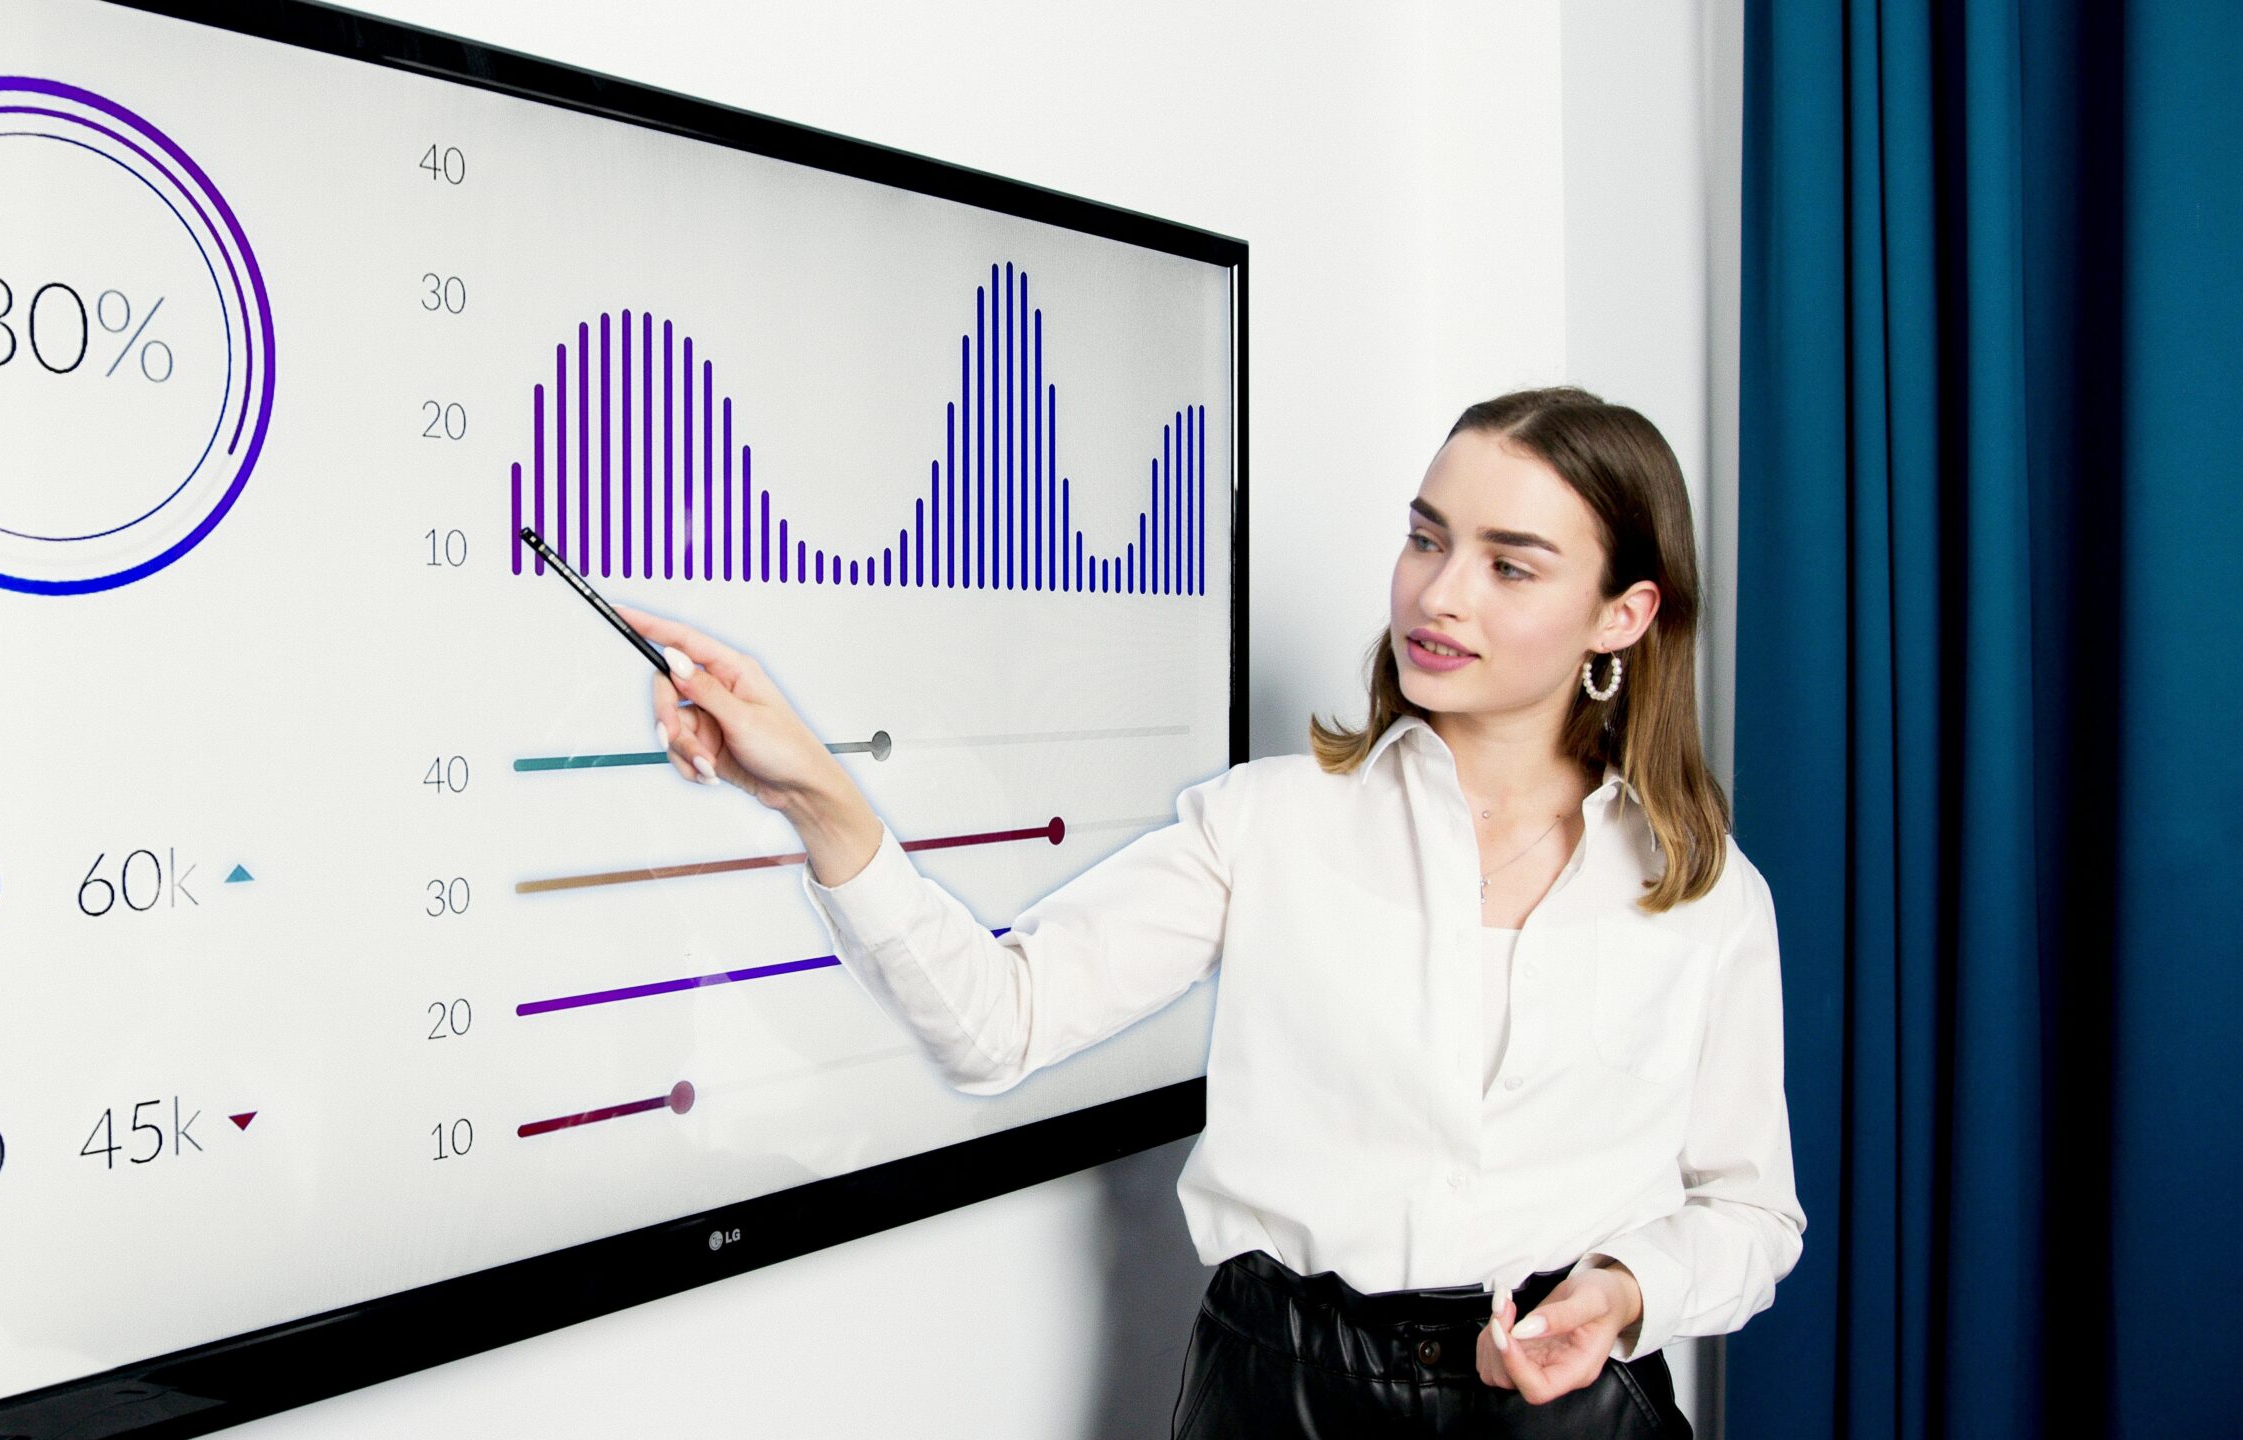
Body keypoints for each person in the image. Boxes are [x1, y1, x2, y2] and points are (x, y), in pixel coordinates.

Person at [620, 385, 1804, 1438]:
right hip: (1280, 1398)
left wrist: (1625, 1291)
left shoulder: (1705, 898)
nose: (1438, 594)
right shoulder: (1268, 823)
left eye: (1510, 565)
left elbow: (1749, 1214)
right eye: (1425, 537)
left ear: (1621, 616)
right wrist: (816, 796)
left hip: (1572, 1416)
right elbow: (994, 1025)